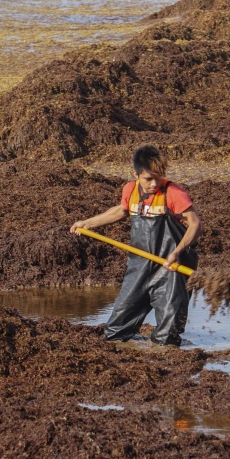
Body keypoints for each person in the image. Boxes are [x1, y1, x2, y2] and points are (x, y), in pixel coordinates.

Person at [70, 145, 203, 346]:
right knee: (115, 333)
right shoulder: (130, 190)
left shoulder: (174, 193)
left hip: (171, 270)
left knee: (167, 339)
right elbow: (122, 211)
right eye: (148, 179)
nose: (154, 184)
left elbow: (195, 224)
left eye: (158, 177)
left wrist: (177, 251)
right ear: (136, 174)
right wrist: (86, 223)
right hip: (139, 266)